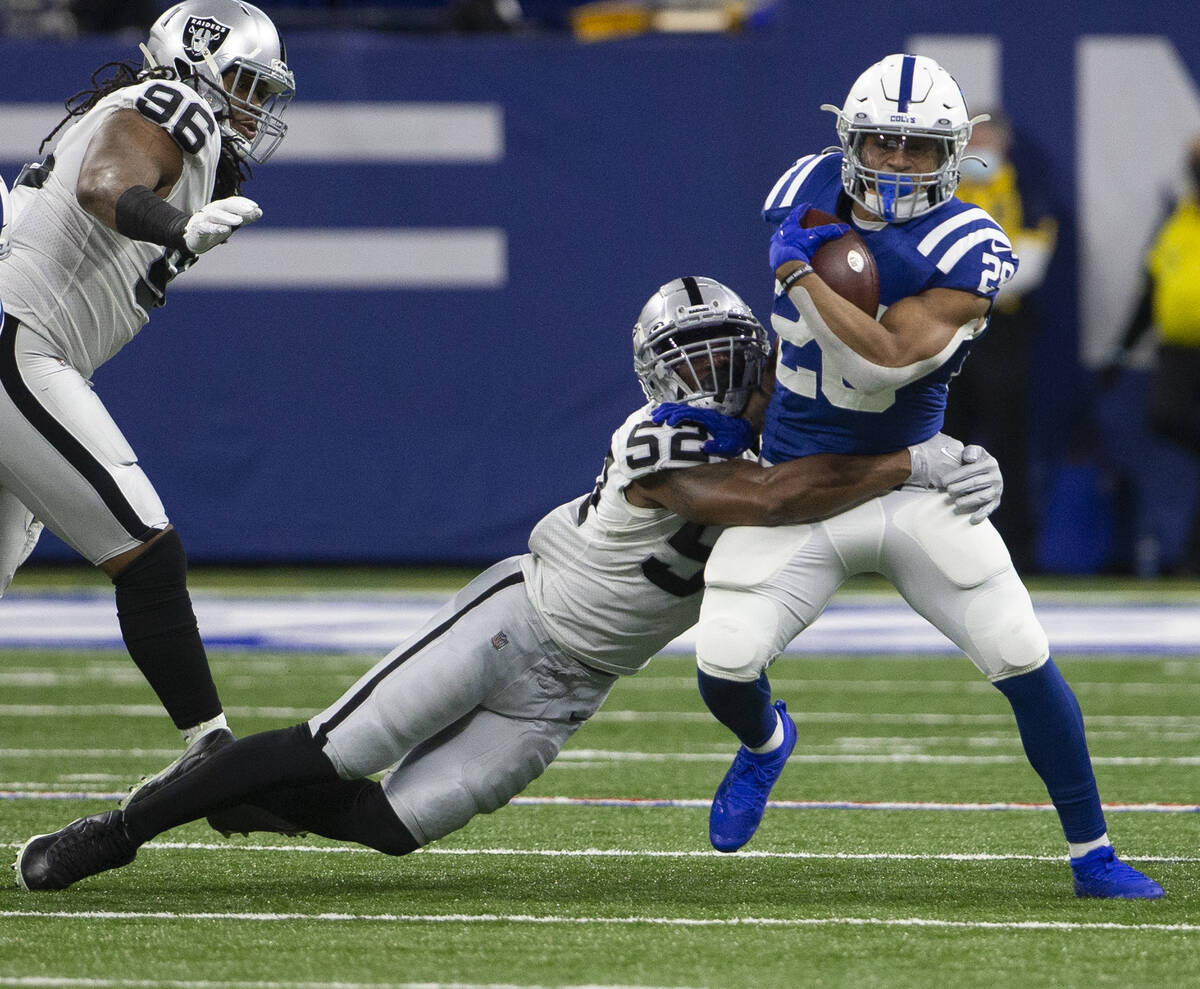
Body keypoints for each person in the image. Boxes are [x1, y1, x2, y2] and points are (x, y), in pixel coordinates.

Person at [11, 275, 1003, 891]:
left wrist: (952, 461)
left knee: (390, 828)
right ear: (654, 376)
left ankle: (235, 791)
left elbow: (858, 467)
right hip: (520, 618)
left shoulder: (799, 434)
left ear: (753, 353)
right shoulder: (665, 438)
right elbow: (773, 497)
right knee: (337, 746)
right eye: (682, 358)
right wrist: (907, 465)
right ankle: (128, 824)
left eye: (716, 352)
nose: (702, 373)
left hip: (575, 686)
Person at [692, 54, 1163, 898]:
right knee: (722, 658)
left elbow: (885, 366)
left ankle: (1093, 851)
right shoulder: (802, 186)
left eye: (919, 147)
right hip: (800, 487)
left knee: (1022, 651)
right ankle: (767, 741)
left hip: (914, 483)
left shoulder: (971, 242)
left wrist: (799, 273)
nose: (898, 161)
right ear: (849, 139)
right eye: (882, 141)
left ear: (955, 153)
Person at [0, 2, 294, 787]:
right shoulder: (178, 104)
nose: (254, 108)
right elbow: (104, 184)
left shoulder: (158, 113)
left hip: (25, 340)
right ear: (198, 60)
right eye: (245, 83)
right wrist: (177, 228)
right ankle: (213, 757)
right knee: (146, 548)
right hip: (18, 343)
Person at [941, 110, 1058, 572]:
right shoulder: (944, 189)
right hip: (943, 328)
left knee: (1006, 440)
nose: (977, 147)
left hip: (998, 327)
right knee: (942, 435)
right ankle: (935, 548)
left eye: (985, 137)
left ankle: (1016, 550)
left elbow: (1030, 263)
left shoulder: (1025, 189)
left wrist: (965, 291)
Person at [1101, 134, 1200, 576]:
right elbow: (1150, 293)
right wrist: (1123, 350)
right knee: (1164, 416)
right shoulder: (1178, 219)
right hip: (1178, 351)